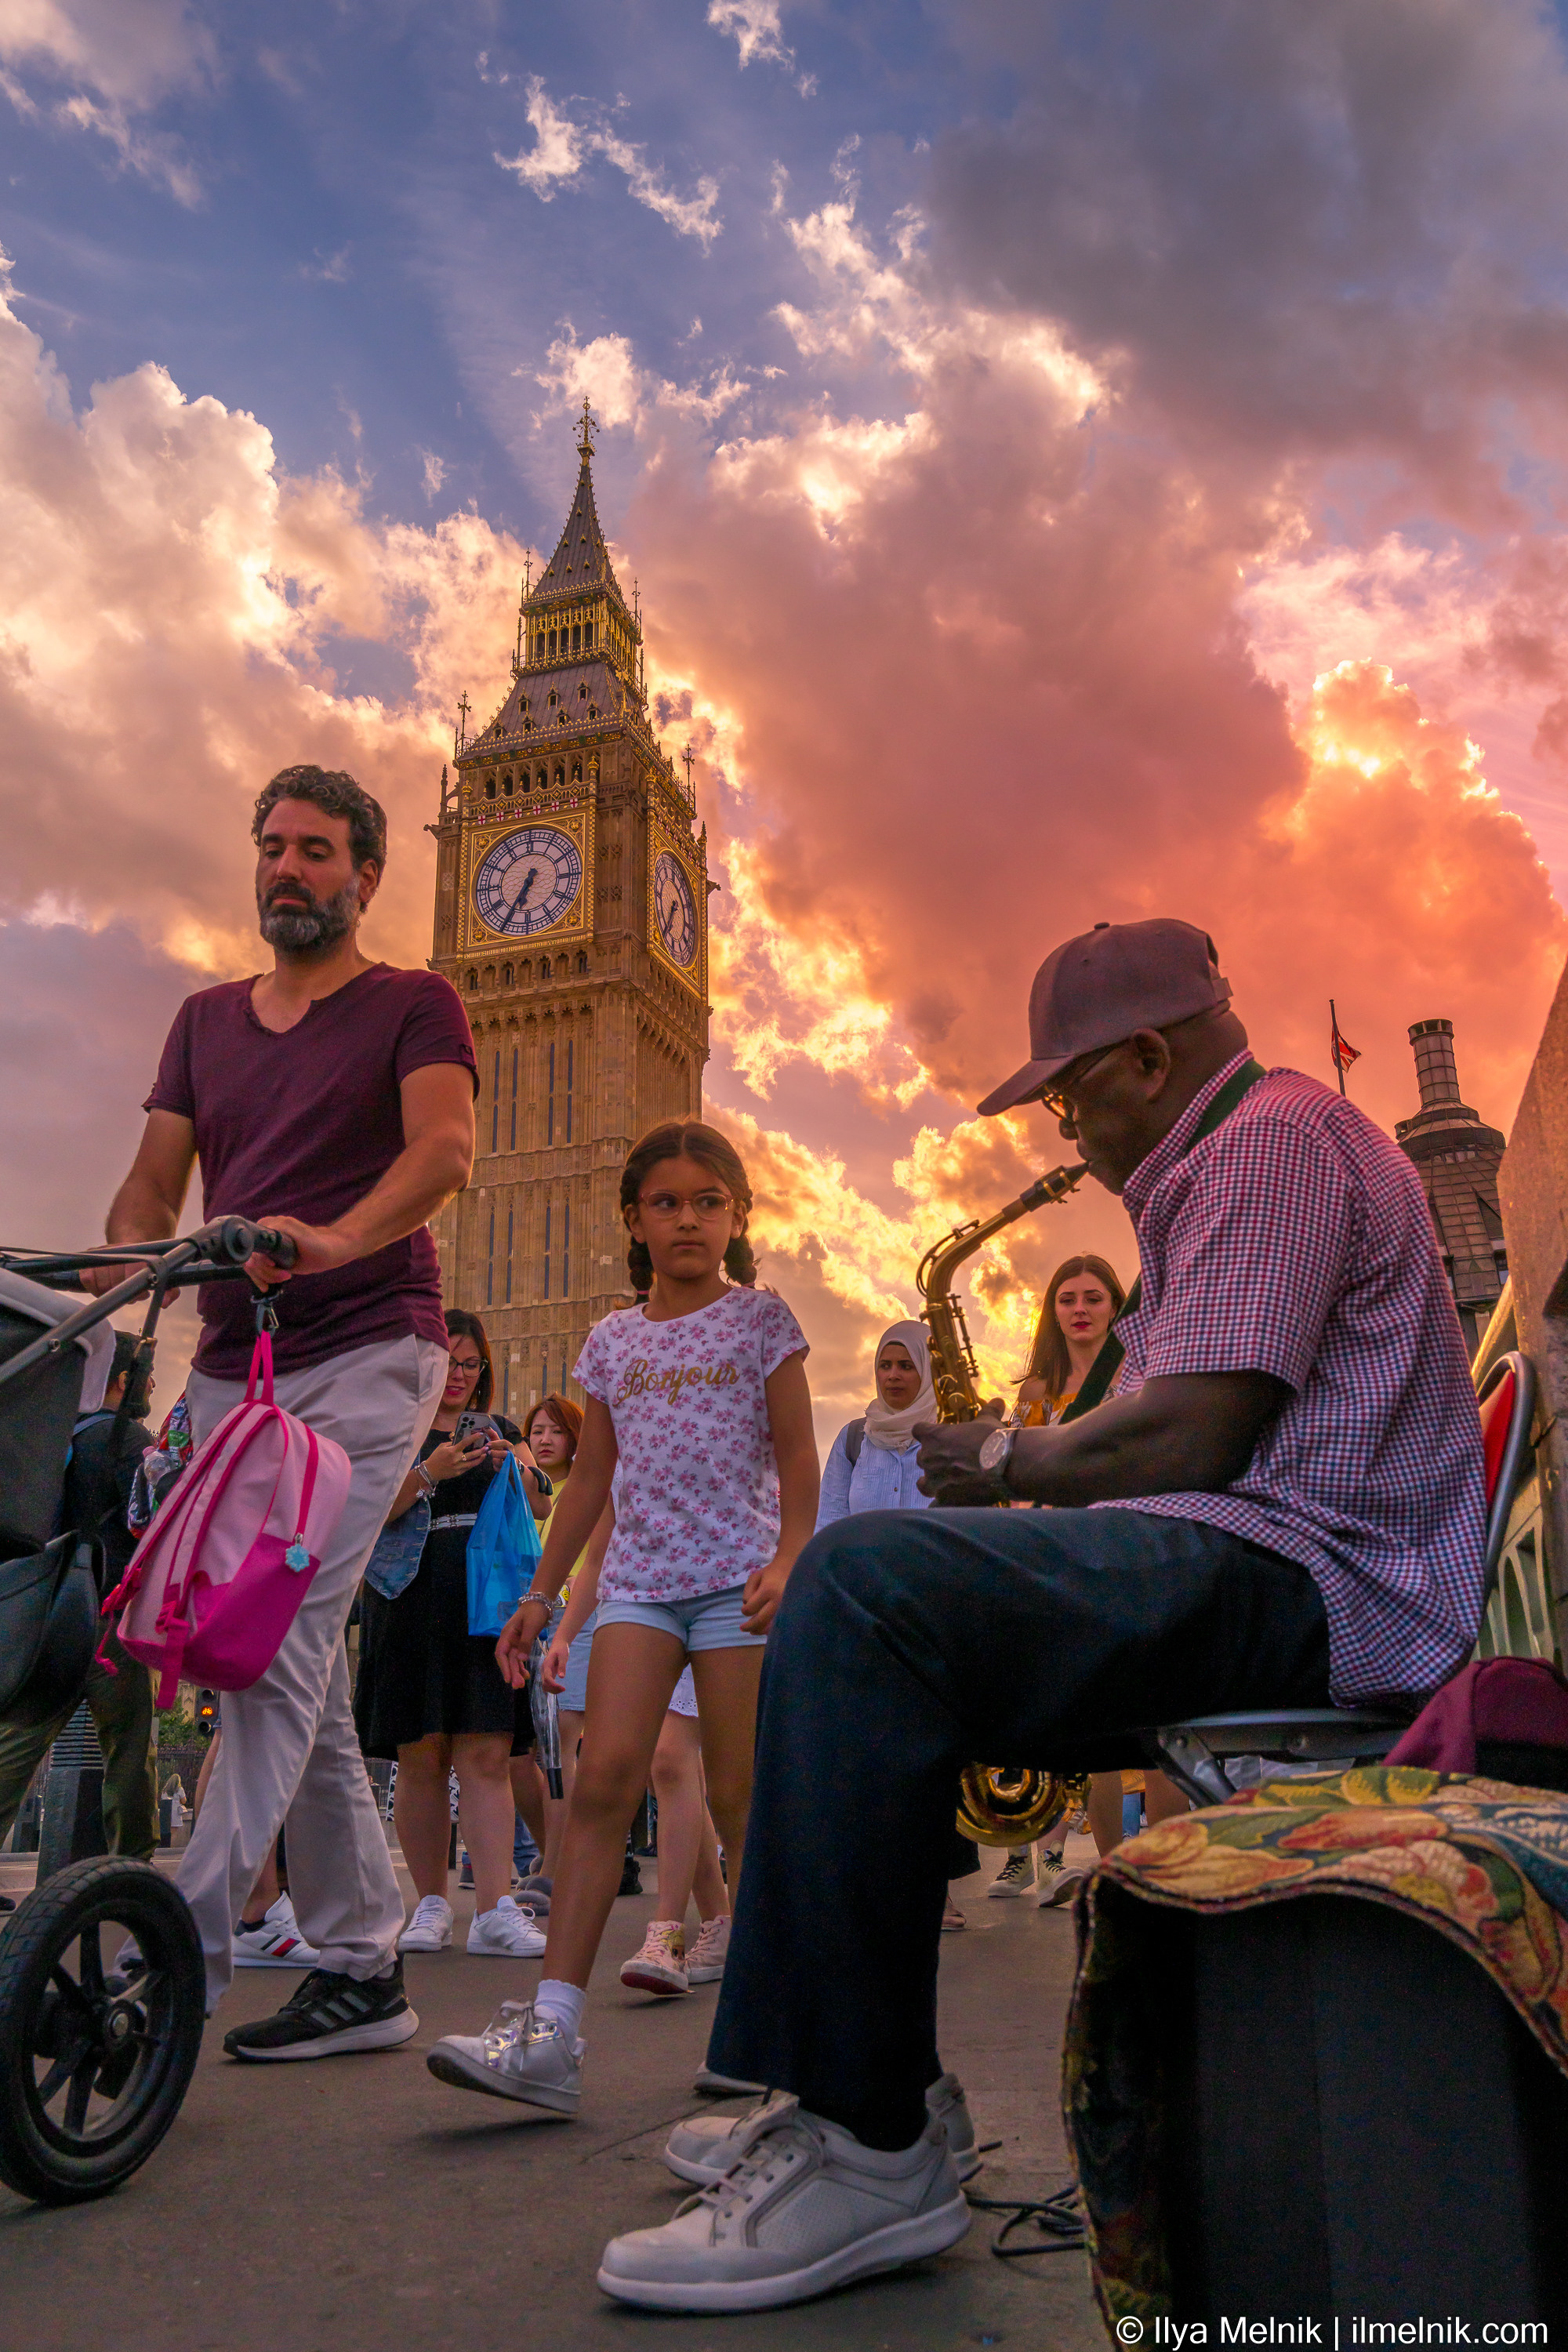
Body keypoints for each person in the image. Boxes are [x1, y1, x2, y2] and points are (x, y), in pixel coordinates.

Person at [593, 916, 1489, 2311]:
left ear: (1147, 1057)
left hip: (1320, 1581)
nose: (1064, 1127)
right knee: (872, 1599)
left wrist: (1009, 1463)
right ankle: (868, 2095)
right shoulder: (1232, 1160)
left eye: (1070, 1093)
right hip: (1261, 1557)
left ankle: (868, 2135)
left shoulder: (1269, 1144)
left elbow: (1193, 1438)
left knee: (860, 1581)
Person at [85, 762, 476, 2058]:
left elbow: (443, 1153)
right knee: (268, 1653)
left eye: (316, 851)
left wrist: (336, 1239)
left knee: (273, 1639)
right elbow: (150, 1186)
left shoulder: (415, 1004)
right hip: (227, 1366)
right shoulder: (203, 1021)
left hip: (367, 1357)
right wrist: (145, 1253)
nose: (287, 869)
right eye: (273, 848)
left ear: (366, 874)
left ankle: (174, 1961)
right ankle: (366, 1961)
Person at [426, 1117, 818, 2117]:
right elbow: (591, 1478)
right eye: (665, 1204)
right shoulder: (610, 1340)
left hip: (737, 1582)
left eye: (707, 1202)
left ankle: (788, 2037)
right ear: (633, 1224)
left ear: (735, 1217)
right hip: (641, 1583)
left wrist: (787, 1556)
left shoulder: (761, 1320)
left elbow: (796, 1455)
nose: (687, 1220)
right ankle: (553, 2031)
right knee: (603, 1779)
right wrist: (541, 1595)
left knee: (737, 1791)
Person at [354, 1308, 552, 1959]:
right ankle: (432, 1903)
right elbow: (366, 1513)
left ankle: (496, 1907)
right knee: (422, 1754)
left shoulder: (498, 1430)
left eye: (472, 1364)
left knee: (489, 1751)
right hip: (407, 1599)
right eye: (451, 1363)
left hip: (484, 1604)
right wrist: (431, 1471)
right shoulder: (391, 1425)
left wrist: (513, 1468)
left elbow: (545, 1501)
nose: (462, 1376)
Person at [815, 1322, 975, 1931]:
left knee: (934, 1755)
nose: (894, 1376)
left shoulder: (952, 1438)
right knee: (873, 1752)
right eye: (886, 1364)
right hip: (868, 1615)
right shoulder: (855, 1440)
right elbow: (830, 1521)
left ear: (928, 1373)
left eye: (906, 1365)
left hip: (934, 1611)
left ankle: (939, 1890)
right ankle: (881, 1882)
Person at [0, 1333, 160, 1876]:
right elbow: (152, 1521)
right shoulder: (128, 1438)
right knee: (130, 1754)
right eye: (147, 1377)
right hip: (107, 1616)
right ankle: (131, 1868)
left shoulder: (49, 1434)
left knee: (17, 1749)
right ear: (123, 1381)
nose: (153, 1386)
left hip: (44, 1618)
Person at [513, 1392, 613, 1906]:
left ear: (576, 1438)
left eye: (555, 1430)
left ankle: (557, 1865)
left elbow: (587, 1564)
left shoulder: (586, 1488)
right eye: (536, 1431)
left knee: (559, 1743)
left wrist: (558, 1610)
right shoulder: (525, 1496)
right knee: (531, 1752)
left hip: (577, 1622)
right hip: (535, 1626)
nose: (545, 1439)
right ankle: (559, 1853)